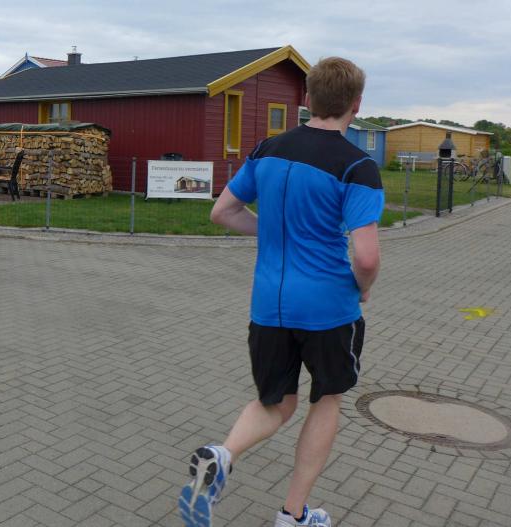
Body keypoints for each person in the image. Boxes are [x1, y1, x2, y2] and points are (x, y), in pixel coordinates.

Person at [178, 57, 384, 527]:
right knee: (326, 400)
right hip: (329, 308)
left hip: (268, 304)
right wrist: (363, 289)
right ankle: (293, 515)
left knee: (275, 402)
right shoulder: (358, 166)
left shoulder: (267, 149)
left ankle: (223, 454)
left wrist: (275, 230)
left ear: (307, 98)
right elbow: (367, 258)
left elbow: (222, 212)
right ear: (356, 104)